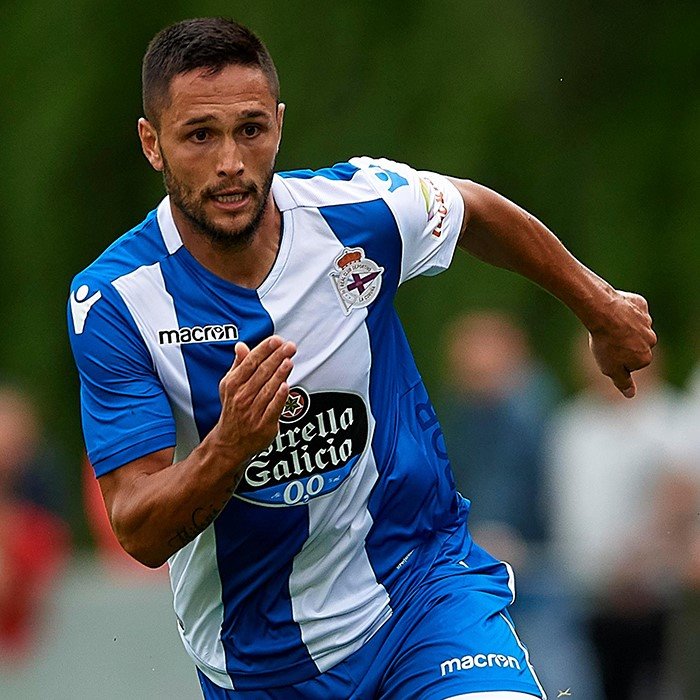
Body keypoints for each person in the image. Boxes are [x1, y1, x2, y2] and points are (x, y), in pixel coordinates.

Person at [67, 17, 656, 700]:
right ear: (153, 144)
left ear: (278, 125)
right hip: (259, 662)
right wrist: (229, 447)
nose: (230, 161)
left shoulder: (357, 211)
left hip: (420, 593)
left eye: (250, 129)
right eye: (200, 135)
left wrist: (600, 307)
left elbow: (472, 209)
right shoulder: (116, 302)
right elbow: (138, 529)